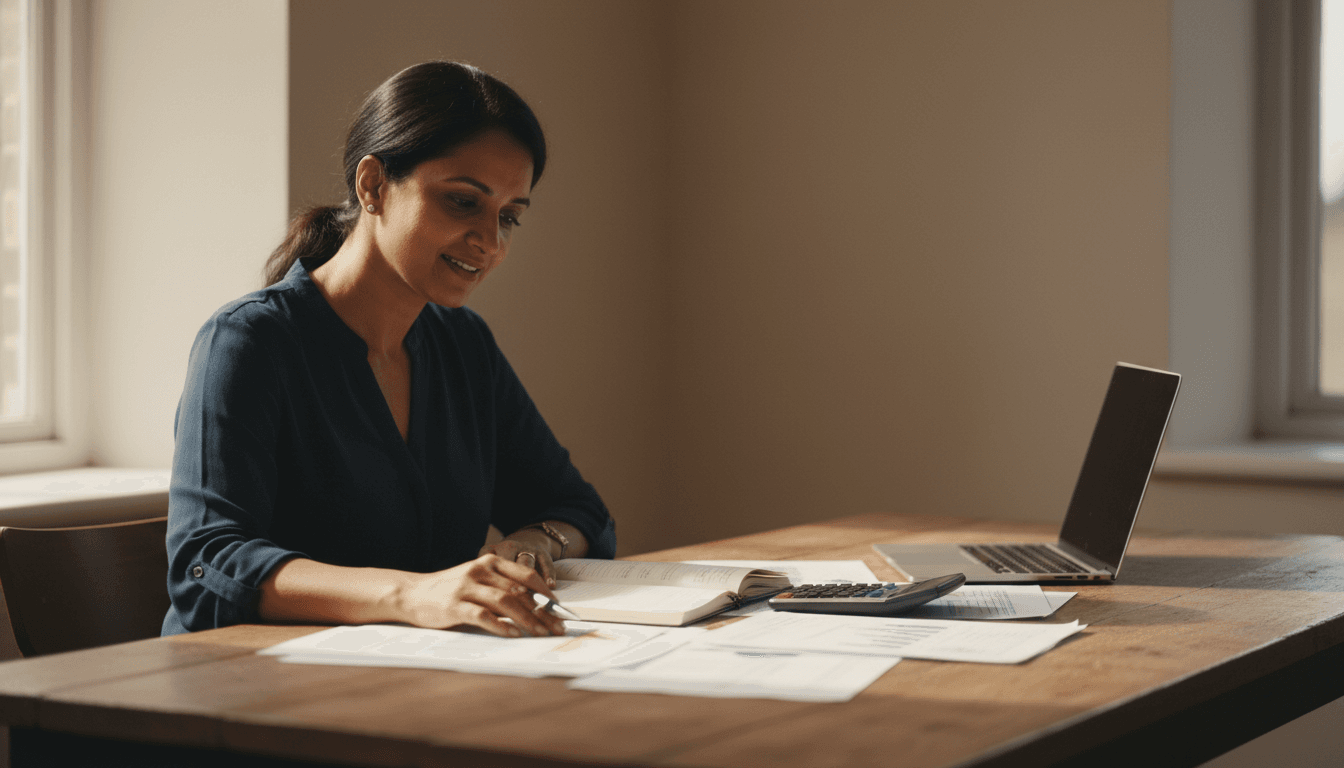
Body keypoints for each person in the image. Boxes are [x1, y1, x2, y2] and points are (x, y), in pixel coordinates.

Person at [163, 61, 615, 639]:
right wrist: (412, 594)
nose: (489, 241)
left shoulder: (463, 345)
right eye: (462, 202)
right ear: (373, 185)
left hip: (413, 672)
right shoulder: (247, 342)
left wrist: (531, 546)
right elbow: (207, 566)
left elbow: (580, 511)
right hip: (243, 680)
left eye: (508, 217)